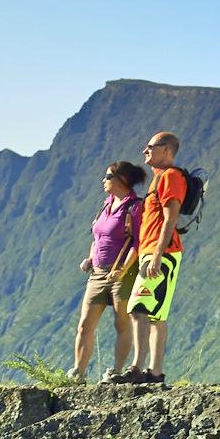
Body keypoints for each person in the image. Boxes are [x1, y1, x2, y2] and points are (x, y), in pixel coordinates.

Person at [124, 132, 187, 384]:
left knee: (138, 307)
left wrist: (157, 254)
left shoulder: (171, 177)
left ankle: (137, 368)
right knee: (155, 315)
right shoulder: (158, 179)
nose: (145, 151)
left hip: (162, 253)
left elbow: (171, 217)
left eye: (150, 147)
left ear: (167, 150)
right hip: (154, 252)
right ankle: (155, 372)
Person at [73, 161, 145, 381]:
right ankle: (78, 372)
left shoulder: (134, 207)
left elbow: (137, 242)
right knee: (85, 324)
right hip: (98, 273)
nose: (103, 180)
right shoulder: (106, 205)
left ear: (121, 180)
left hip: (121, 274)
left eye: (107, 176)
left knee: (121, 323)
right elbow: (97, 238)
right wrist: (90, 258)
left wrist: (122, 270)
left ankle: (115, 371)